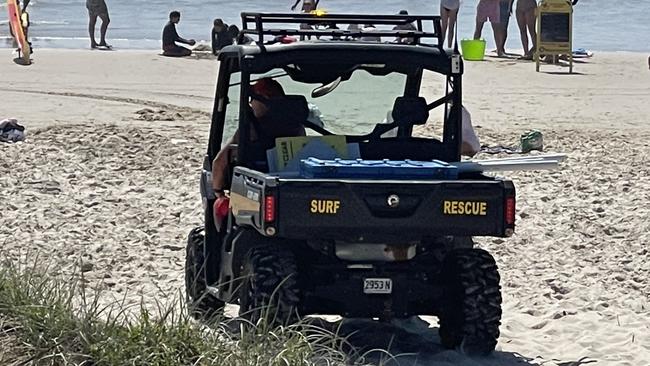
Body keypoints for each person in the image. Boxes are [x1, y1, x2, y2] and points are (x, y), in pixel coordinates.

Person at [211, 78, 305, 194]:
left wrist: (218, 192)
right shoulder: (297, 128)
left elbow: (219, 162)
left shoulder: (250, 129)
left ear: (265, 100)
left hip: (252, 187)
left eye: (252, 99)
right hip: (290, 187)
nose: (250, 103)